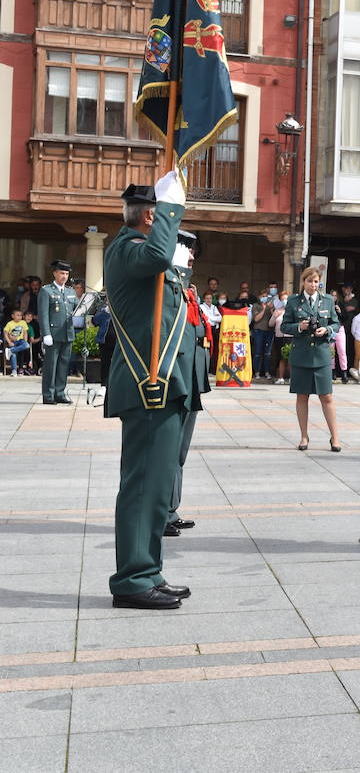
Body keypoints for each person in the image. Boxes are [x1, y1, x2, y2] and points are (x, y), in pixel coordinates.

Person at [104, 177, 195, 609]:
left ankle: (147, 571)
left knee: (156, 489)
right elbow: (158, 253)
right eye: (165, 216)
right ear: (151, 216)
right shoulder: (127, 249)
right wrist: (173, 209)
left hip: (165, 384)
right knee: (142, 486)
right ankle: (132, 579)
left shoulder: (143, 252)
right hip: (147, 386)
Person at [169, 232, 208, 539]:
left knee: (180, 451)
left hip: (192, 379)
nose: (192, 257)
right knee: (169, 451)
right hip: (176, 379)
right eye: (187, 251)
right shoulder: (169, 287)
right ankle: (163, 512)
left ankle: (171, 509)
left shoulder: (187, 289)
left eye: (193, 252)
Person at [284, 268, 342, 452]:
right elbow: (285, 325)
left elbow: (335, 323)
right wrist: (299, 327)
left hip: (321, 354)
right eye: (310, 281)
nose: (313, 285)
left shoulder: (328, 300)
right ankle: (304, 436)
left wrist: (327, 331)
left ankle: (335, 437)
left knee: (327, 396)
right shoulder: (294, 301)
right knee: (302, 396)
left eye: (316, 281)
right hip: (301, 354)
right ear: (303, 281)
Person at [37, 260, 78, 405]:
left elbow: (76, 310)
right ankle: (49, 395)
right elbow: (43, 314)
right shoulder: (46, 291)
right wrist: (46, 333)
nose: (64, 276)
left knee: (63, 365)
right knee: (50, 366)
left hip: (67, 333)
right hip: (53, 334)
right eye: (62, 273)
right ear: (55, 273)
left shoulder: (70, 291)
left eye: (67, 274)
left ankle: (60, 393)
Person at [250, 290, 274, 378]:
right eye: (262, 296)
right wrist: (263, 309)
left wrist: (271, 309)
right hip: (258, 331)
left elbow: (274, 318)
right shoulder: (255, 306)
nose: (264, 298)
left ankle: (267, 372)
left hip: (269, 331)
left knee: (267, 353)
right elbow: (256, 319)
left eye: (266, 296)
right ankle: (257, 372)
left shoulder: (270, 306)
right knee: (257, 352)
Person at [4, 308, 30, 376]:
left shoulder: (23, 322)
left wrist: (25, 341)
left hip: (21, 341)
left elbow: (25, 332)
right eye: (17, 315)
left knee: (27, 345)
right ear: (13, 316)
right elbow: (5, 333)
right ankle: (14, 370)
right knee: (14, 354)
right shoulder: (9, 323)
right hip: (13, 341)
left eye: (20, 315)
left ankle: (11, 350)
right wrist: (9, 342)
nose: (19, 317)